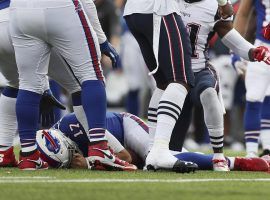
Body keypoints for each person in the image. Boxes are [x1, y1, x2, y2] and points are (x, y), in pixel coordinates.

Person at [6, 0, 133, 171]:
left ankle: (28, 156)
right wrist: (102, 40)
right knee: (91, 74)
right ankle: (99, 148)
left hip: (19, 9)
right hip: (60, 6)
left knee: (28, 83)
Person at [36, 111, 269, 172]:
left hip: (127, 127)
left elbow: (126, 159)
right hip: (119, 141)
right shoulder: (53, 139)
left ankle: (239, 162)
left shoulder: (78, 127)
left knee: (157, 159)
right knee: (160, 162)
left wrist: (88, 162)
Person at [233, 0, 270, 157]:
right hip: (263, 47)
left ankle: (267, 146)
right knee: (254, 97)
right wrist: (234, 50)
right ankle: (252, 153)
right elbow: (242, 13)